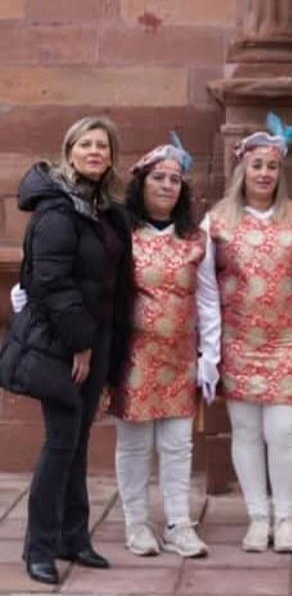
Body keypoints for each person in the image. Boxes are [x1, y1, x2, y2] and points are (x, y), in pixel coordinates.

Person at [201, 127, 292, 554]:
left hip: (287, 343)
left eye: (272, 167)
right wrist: (209, 347)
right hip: (238, 342)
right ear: (243, 168)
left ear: (280, 172)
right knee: (245, 431)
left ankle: (284, 515)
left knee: (283, 432)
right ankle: (257, 517)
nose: (264, 174)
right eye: (257, 165)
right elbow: (205, 286)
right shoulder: (218, 220)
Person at [14, 116, 133, 585]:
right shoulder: (57, 209)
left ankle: (74, 536)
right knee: (60, 442)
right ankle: (39, 548)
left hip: (97, 338)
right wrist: (80, 343)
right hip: (65, 342)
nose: (95, 153)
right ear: (69, 150)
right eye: (86, 144)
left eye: (103, 146)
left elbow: (114, 282)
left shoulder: (104, 209)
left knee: (78, 441)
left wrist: (104, 343)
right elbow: (51, 282)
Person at [110, 140, 217, 559]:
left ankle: (179, 523)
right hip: (133, 358)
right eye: (159, 177)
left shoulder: (196, 240)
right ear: (141, 183)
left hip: (180, 358)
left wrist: (209, 356)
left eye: (175, 179)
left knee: (177, 444)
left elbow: (208, 300)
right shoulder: (122, 234)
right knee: (135, 444)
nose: (168, 185)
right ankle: (136, 523)